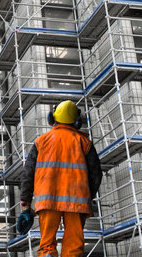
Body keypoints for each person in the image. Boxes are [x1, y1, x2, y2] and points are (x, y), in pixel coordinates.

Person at [20, 100, 102, 257]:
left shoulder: (41, 142)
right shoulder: (84, 143)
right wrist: (87, 197)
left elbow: (28, 173)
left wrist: (26, 201)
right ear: (77, 122)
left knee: (46, 243)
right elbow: (96, 175)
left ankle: (47, 254)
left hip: (47, 200)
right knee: (73, 245)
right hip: (77, 201)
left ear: (52, 118)